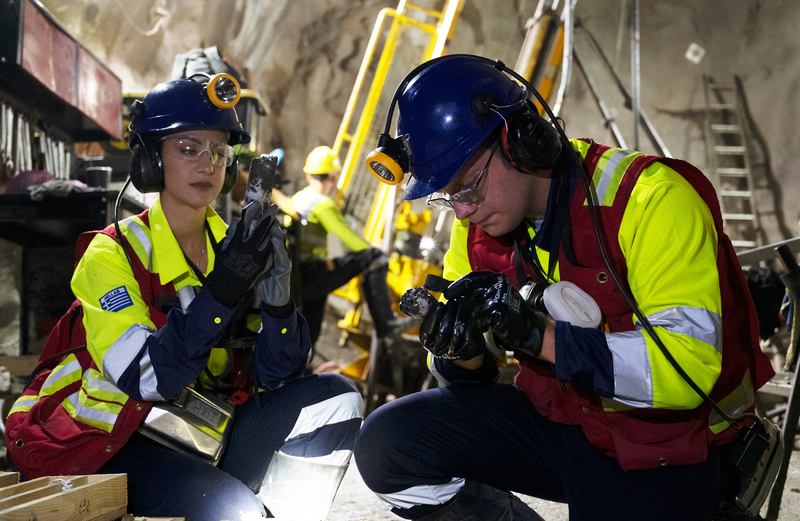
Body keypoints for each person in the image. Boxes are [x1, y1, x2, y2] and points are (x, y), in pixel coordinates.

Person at [353, 54, 776, 521]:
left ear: (521, 142)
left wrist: (539, 337)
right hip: (564, 422)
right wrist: (461, 347)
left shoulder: (653, 201)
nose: (462, 210)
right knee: (387, 446)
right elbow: (470, 379)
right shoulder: (475, 226)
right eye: (448, 195)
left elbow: (688, 372)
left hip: (671, 446)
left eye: (467, 187)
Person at [5, 76, 363, 521]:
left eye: (218, 153)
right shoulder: (114, 252)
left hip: (197, 429)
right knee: (238, 513)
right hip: (109, 437)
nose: (208, 165)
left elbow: (279, 376)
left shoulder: (232, 247)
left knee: (336, 398)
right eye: (189, 149)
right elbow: (145, 376)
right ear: (150, 161)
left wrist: (279, 304)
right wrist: (225, 288)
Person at [288, 145, 396, 345]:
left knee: (308, 330)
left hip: (294, 278)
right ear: (333, 178)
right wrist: (377, 249)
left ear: (308, 176)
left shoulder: (298, 198)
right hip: (311, 275)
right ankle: (386, 324)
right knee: (373, 256)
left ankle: (299, 368)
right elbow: (353, 243)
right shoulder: (323, 204)